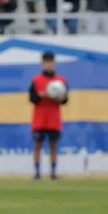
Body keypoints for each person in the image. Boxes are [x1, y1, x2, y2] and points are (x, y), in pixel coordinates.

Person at [28, 51, 68, 180]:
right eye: (46, 63)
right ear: (43, 64)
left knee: (53, 145)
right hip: (39, 118)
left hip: (53, 118)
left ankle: (53, 172)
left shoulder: (60, 81)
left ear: (54, 63)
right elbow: (32, 98)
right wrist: (41, 96)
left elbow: (65, 100)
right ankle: (37, 172)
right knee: (37, 145)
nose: (49, 65)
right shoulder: (36, 80)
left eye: (51, 62)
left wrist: (59, 98)